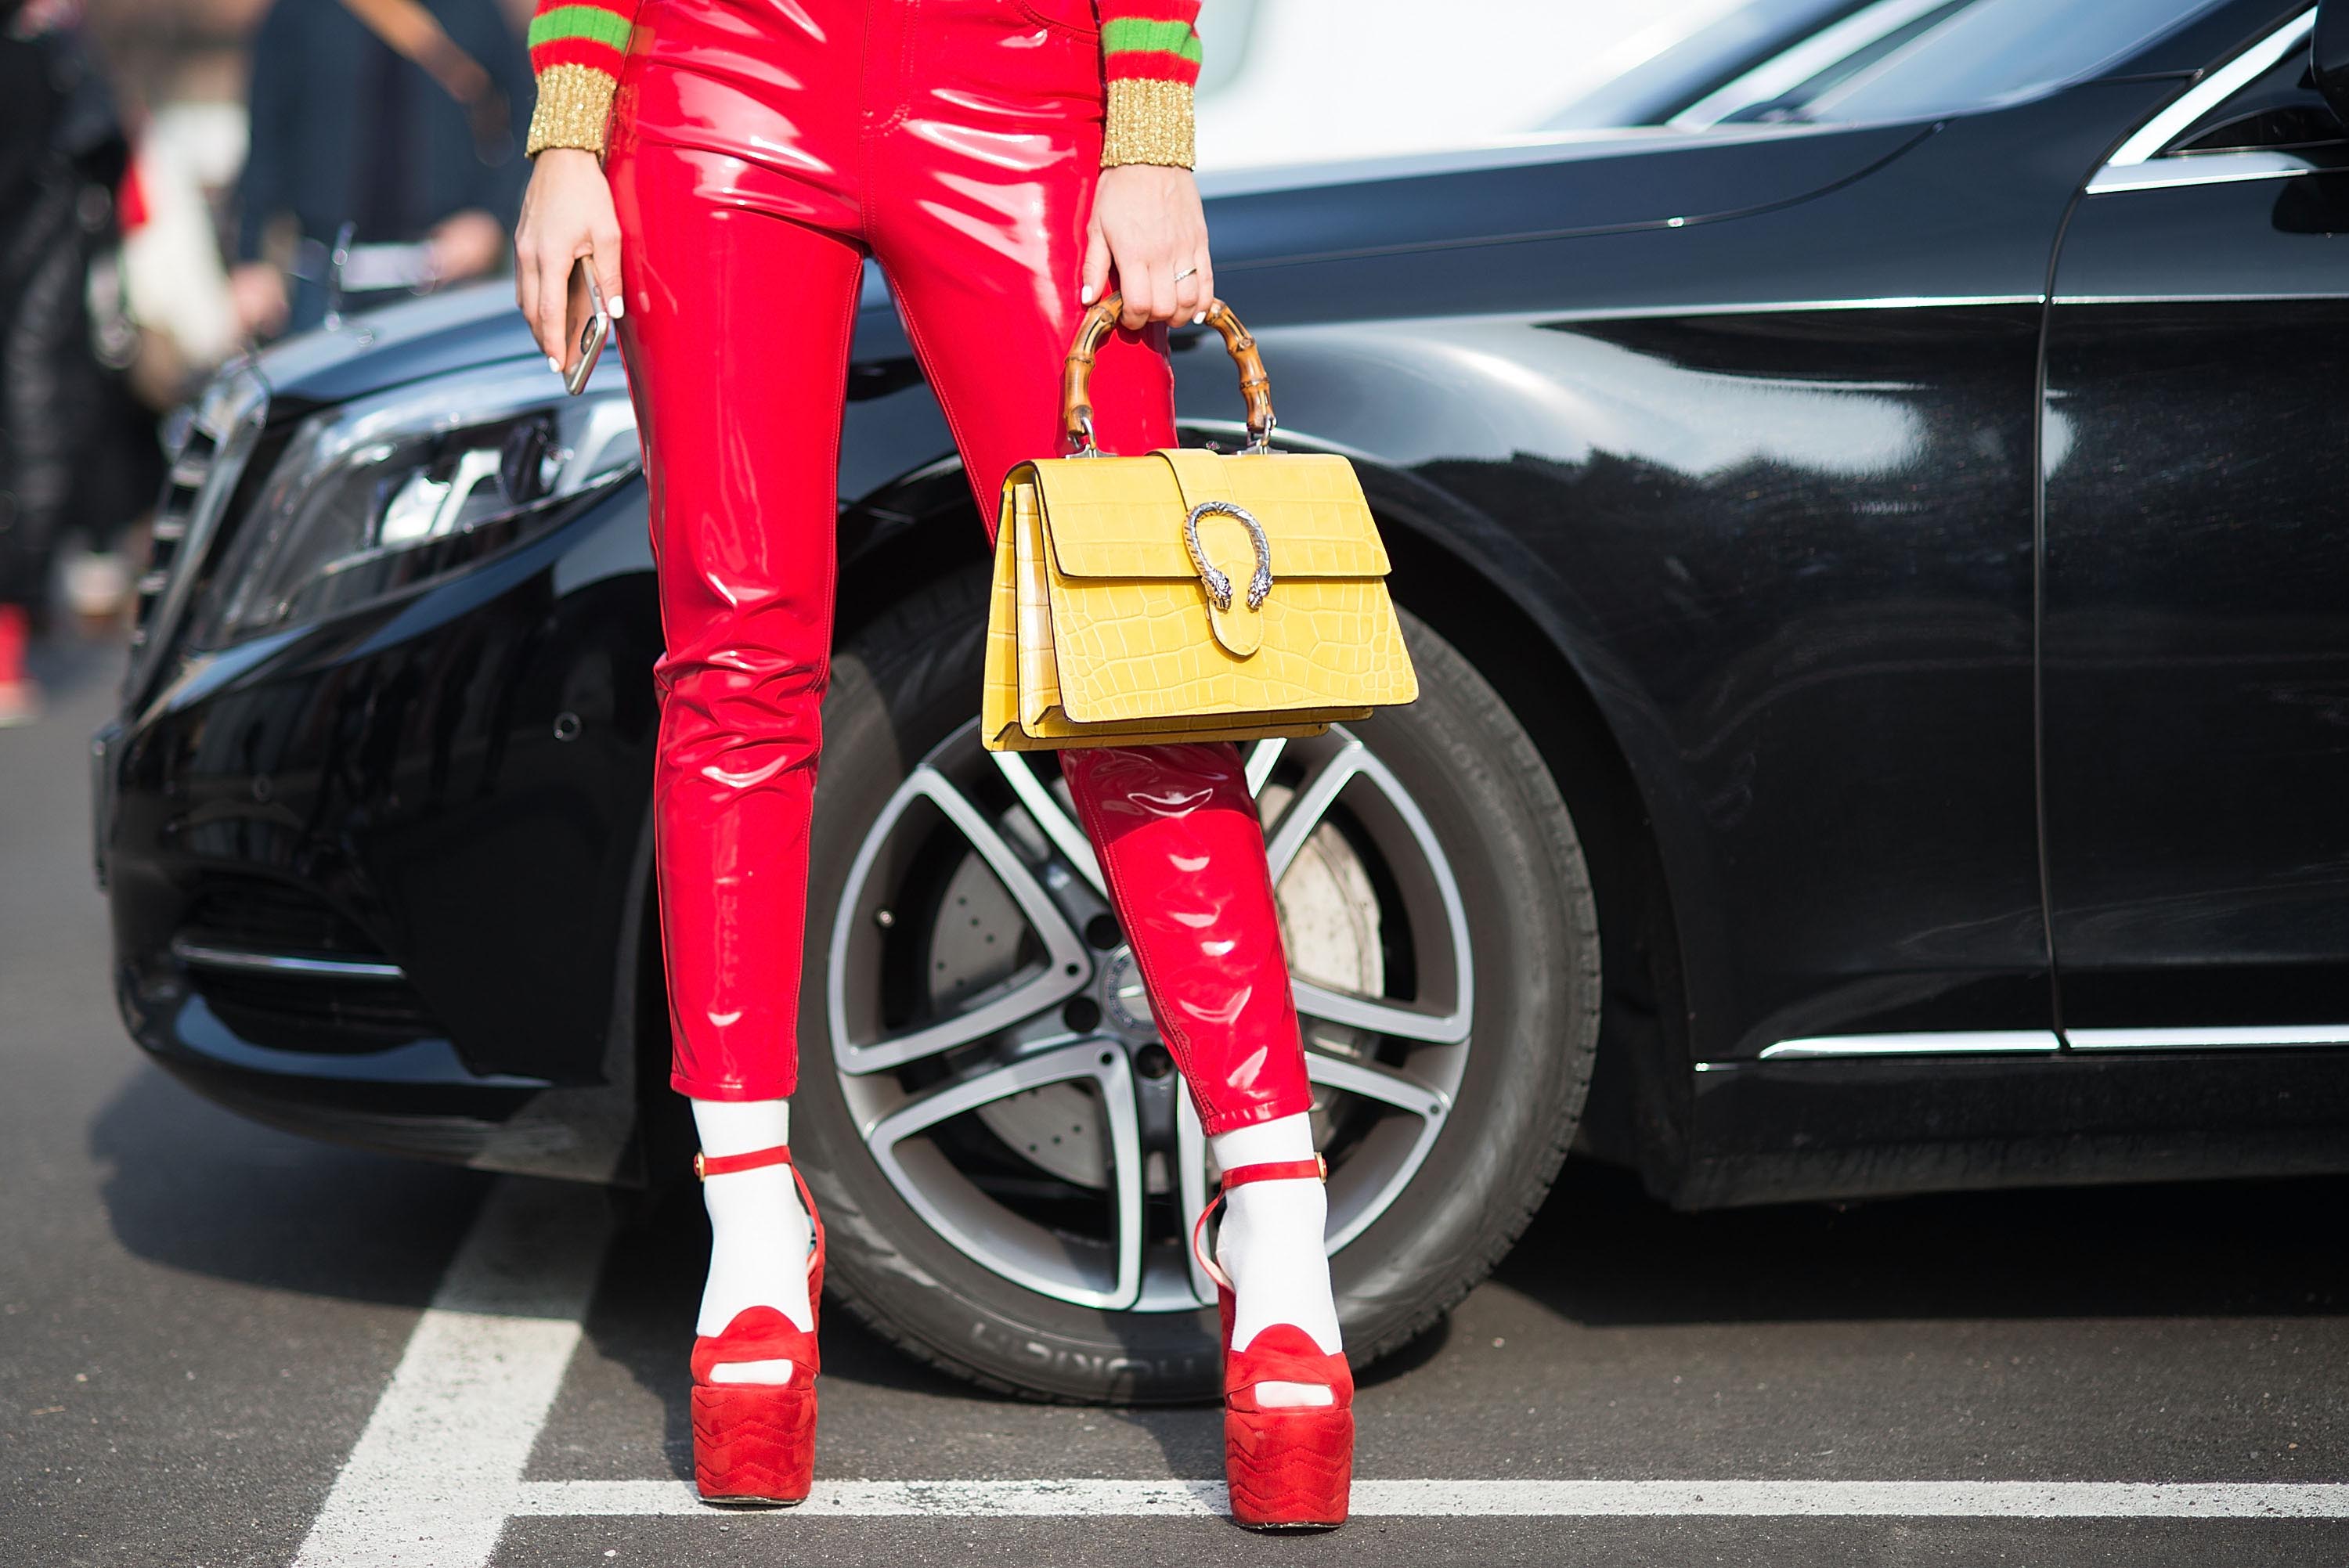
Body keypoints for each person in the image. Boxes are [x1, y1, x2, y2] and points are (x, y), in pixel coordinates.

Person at [511, 0, 1355, 1530]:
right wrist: (573, 121)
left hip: (1020, 68)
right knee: (735, 661)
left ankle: (1279, 1227)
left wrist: (1150, 123)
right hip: (716, 71)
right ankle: (754, 1230)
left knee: (1142, 659)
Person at [231, 0, 536, 338]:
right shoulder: (301, 11)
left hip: (443, 274)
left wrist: (490, 215)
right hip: (324, 276)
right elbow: (266, 135)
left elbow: (527, 110)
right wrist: (251, 258)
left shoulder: (471, 9)